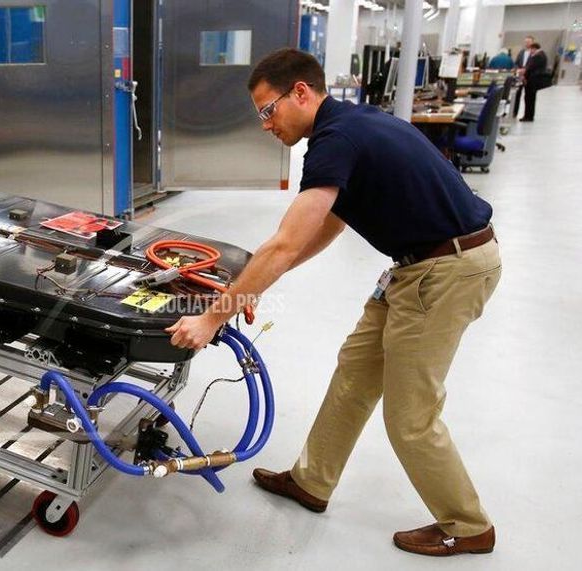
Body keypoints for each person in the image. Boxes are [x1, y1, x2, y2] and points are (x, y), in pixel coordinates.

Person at [166, 48, 501, 556]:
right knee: (355, 373)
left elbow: (283, 242)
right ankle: (312, 481)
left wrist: (214, 317)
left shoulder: (336, 138)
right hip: (416, 267)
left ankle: (469, 524)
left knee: (410, 415)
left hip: (445, 271)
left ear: (300, 92)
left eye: (267, 111)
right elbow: (325, 226)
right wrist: (258, 278)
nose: (264, 125)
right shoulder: (349, 127)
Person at [520, 42, 548, 122]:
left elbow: (530, 68)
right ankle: (528, 116)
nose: (530, 52)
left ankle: (528, 116)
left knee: (529, 99)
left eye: (531, 50)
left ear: (534, 48)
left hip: (532, 81)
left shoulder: (538, 56)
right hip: (534, 80)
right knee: (530, 99)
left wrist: (524, 74)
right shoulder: (542, 55)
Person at [512, 35, 535, 117]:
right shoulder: (521, 52)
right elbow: (516, 63)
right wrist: (518, 69)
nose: (527, 43)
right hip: (520, 76)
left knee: (528, 96)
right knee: (517, 95)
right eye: (526, 42)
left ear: (533, 42)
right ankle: (514, 113)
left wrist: (525, 71)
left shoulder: (534, 53)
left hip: (529, 77)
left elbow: (534, 65)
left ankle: (527, 115)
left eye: (529, 42)